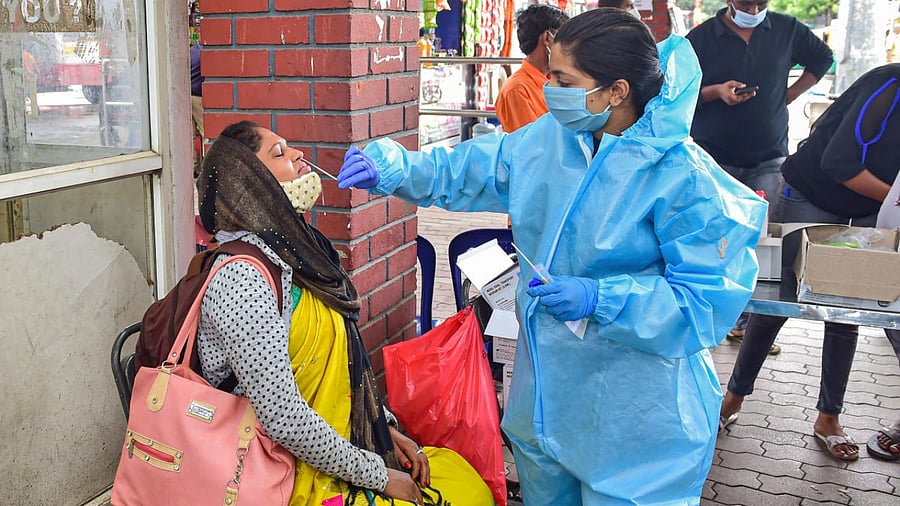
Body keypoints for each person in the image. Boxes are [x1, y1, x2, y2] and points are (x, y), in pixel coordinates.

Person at [338, 8, 766, 504]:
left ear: (616, 91)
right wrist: (397, 168)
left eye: (563, 79)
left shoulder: (681, 176)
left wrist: (601, 299)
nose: (549, 88)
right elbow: (472, 169)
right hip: (548, 395)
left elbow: (704, 302)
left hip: (637, 415)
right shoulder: (553, 141)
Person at [195, 121, 492, 505]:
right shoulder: (243, 280)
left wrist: (384, 429)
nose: (301, 155)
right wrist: (379, 476)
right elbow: (283, 420)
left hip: (331, 453)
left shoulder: (296, 256)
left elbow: (343, 371)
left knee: (464, 479)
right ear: (251, 186)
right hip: (275, 474)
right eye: (280, 153)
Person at [719, 64, 900, 463]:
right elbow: (840, 163)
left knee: (848, 311)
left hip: (871, 209)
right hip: (812, 192)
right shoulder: (888, 85)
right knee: (777, 302)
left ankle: (828, 418)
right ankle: (732, 398)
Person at [687, 0, 833, 348]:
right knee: (714, 236)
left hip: (768, 155)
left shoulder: (785, 29)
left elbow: (821, 58)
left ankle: (746, 321)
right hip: (714, 157)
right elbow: (681, 87)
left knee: (758, 240)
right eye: (745, 2)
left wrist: (789, 95)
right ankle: (706, 314)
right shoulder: (703, 37)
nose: (752, 8)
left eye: (760, 3)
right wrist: (716, 92)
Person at [493, 3, 569, 133]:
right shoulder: (517, 90)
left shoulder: (555, 81)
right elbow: (533, 145)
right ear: (547, 38)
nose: (568, 47)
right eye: (564, 39)